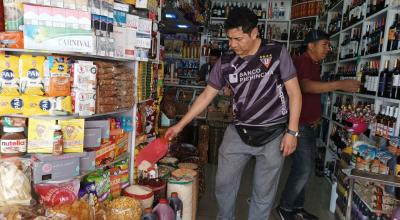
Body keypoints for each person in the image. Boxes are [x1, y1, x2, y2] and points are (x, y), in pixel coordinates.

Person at [165, 7, 302, 220]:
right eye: (229, 39)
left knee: (263, 193)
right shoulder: (227, 61)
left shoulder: (276, 52)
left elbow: (295, 93)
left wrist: (292, 132)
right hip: (239, 131)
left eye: (238, 39)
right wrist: (180, 125)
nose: (232, 45)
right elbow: (205, 96)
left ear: (255, 33)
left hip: (273, 135)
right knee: (222, 183)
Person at [276, 30, 361, 220]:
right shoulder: (302, 61)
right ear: (310, 45)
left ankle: (296, 207)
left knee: (304, 170)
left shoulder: (314, 64)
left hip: (309, 125)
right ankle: (285, 208)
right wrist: (339, 84)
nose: (328, 49)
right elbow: (306, 86)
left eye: (328, 45)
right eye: (324, 44)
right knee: (304, 169)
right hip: (301, 126)